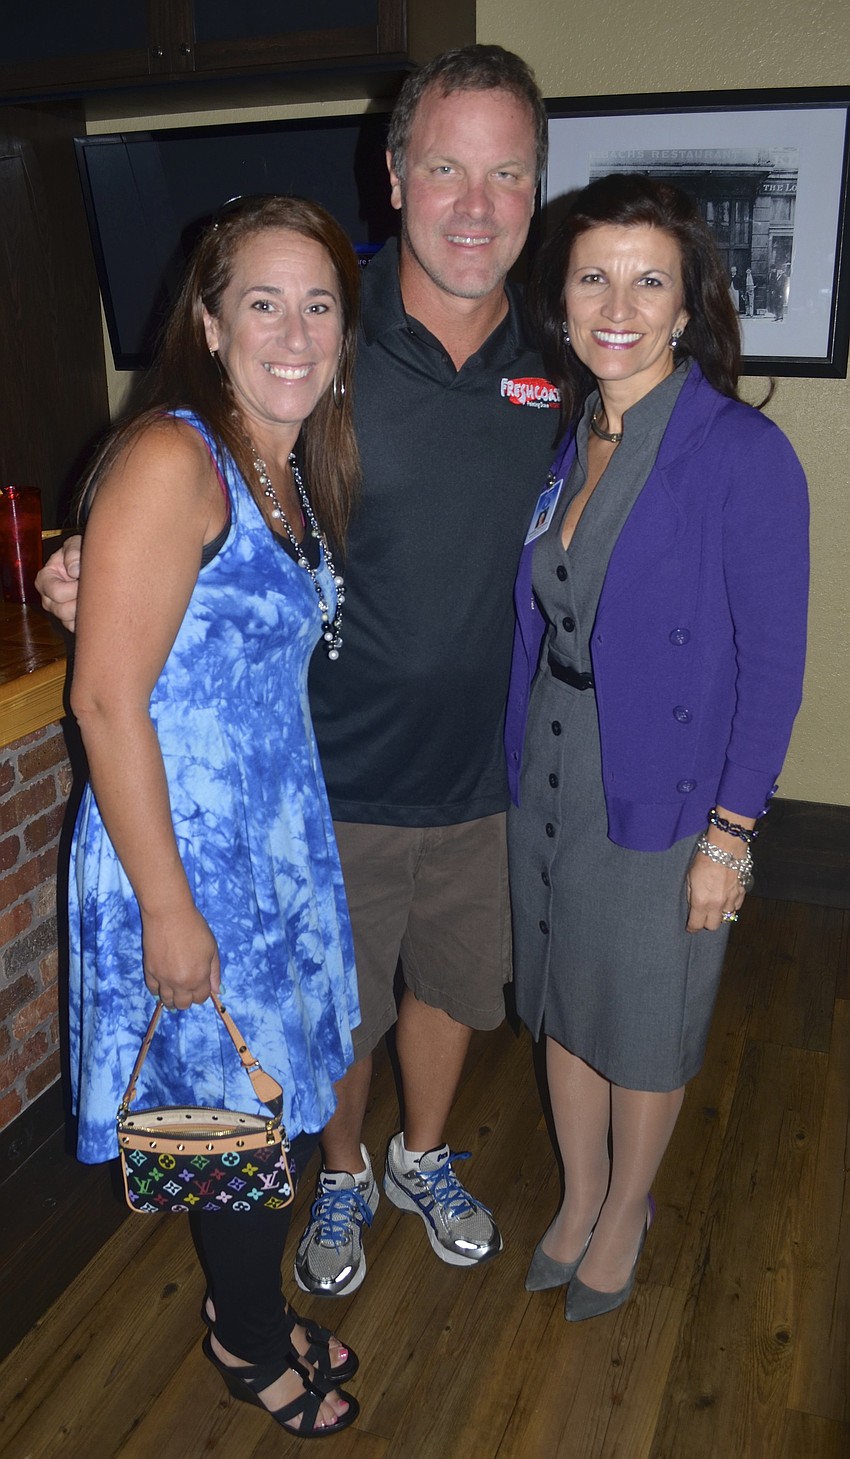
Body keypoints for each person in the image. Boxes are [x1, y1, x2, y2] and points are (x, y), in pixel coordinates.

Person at [38, 46, 560, 1300]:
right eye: (445, 166)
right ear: (392, 177)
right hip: (321, 788)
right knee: (320, 1031)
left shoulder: (565, 353)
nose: (476, 204)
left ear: (539, 189)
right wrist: (85, 554)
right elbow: (181, 475)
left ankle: (417, 1160)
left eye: (508, 173)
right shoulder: (323, 319)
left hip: (482, 770)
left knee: (446, 994)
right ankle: (335, 1183)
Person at [67, 195, 364, 1435]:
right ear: (208, 319)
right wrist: (170, 911)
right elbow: (103, 698)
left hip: (272, 844)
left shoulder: (286, 462)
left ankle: (251, 1309)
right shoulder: (175, 456)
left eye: (318, 305)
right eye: (262, 301)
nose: (293, 332)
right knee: (227, 1129)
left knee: (274, 1113)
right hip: (180, 854)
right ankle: (244, 1338)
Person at [504, 173, 808, 1321]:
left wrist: (729, 838)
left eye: (647, 279)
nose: (616, 303)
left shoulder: (739, 453)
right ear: (563, 300)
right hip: (552, 760)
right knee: (566, 998)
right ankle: (578, 1194)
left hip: (665, 787)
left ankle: (628, 1205)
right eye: (592, 276)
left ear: (686, 308)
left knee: (642, 1014)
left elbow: (773, 670)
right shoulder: (570, 433)